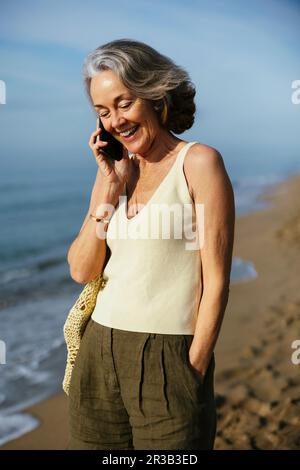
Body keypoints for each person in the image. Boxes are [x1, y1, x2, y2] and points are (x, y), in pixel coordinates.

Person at [66, 38, 235, 450]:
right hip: (97, 351)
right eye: (103, 112)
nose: (115, 122)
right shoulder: (114, 173)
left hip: (169, 355)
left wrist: (193, 366)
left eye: (124, 104)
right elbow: (81, 270)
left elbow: (216, 281)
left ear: (155, 94)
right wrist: (109, 188)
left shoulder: (199, 163)